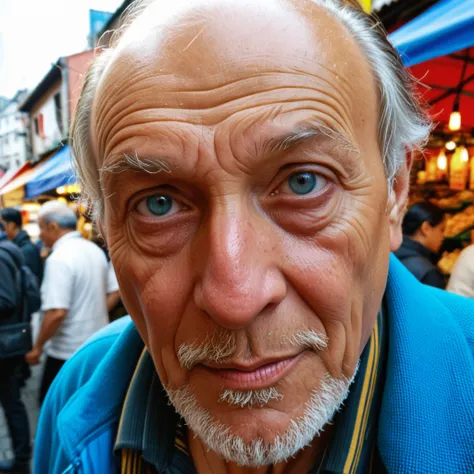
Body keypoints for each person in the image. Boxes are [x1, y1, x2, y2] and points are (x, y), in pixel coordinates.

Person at [35, 1, 474, 473]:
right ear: (105, 226)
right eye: (157, 204)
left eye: (304, 183)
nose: (235, 300)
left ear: (395, 193)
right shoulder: (76, 394)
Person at [25, 201, 111, 403]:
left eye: (41, 228)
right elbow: (111, 292)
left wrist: (37, 347)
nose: (40, 234)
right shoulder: (93, 249)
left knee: (55, 406)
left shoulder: (59, 258)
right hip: (96, 343)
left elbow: (57, 312)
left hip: (67, 352)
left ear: (53, 226)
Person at [0, 241, 31, 474]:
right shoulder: (9, 252)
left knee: (12, 402)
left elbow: (6, 301)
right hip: (8, 344)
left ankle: (21, 460)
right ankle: (21, 458)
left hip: (4, 347)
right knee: (12, 401)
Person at [394, 202, 446, 288]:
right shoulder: (428, 274)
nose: (443, 237)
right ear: (426, 228)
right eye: (441, 230)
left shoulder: (391, 253)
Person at [0, 208, 43, 282]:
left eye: (1, 225)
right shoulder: (15, 247)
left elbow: (29, 283)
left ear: (11, 225)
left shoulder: (27, 250)